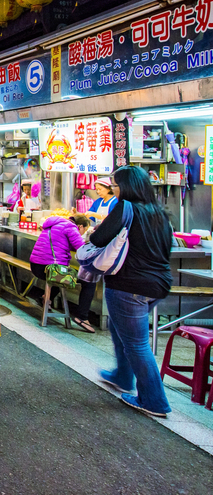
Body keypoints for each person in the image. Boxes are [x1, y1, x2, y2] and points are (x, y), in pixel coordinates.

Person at [94, 165, 173, 417]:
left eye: (115, 186)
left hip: (129, 285)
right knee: (123, 332)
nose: (113, 191)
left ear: (125, 187)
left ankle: (154, 400)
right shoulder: (160, 213)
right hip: (158, 284)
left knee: (137, 343)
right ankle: (122, 376)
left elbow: (98, 239)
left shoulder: (125, 208)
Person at [29, 212, 91, 329]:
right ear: (80, 226)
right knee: (88, 280)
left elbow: (63, 243)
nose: (83, 233)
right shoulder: (71, 228)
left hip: (37, 266)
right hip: (50, 269)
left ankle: (46, 298)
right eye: (85, 230)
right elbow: (82, 249)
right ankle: (82, 317)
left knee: (62, 272)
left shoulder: (56, 224)